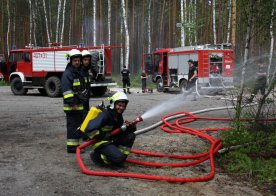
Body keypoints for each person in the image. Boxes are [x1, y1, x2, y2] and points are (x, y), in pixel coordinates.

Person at [84, 91, 136, 167]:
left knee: (130, 136)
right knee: (118, 158)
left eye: (123, 106)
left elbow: (118, 131)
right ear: (113, 104)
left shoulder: (118, 115)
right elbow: (89, 130)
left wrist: (130, 128)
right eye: (119, 105)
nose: (122, 108)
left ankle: (118, 159)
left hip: (110, 140)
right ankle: (97, 157)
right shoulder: (105, 114)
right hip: (100, 142)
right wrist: (104, 135)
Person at [61, 49, 88, 153]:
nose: (77, 62)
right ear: (71, 61)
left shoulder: (78, 72)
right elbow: (66, 90)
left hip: (78, 105)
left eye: (78, 60)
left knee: (77, 126)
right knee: (73, 127)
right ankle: (72, 147)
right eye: (75, 60)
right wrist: (72, 103)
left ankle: (75, 145)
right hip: (72, 106)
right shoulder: (68, 74)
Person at [81, 50, 92, 117]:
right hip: (81, 100)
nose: (87, 62)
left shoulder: (86, 71)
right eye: (85, 60)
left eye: (88, 60)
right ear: (81, 60)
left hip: (86, 99)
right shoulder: (80, 71)